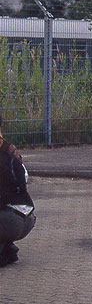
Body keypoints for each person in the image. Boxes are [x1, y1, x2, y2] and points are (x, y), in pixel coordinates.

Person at [1, 114, 36, 267]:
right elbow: (24, 176)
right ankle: (8, 248)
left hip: (11, 219)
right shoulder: (9, 149)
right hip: (28, 217)